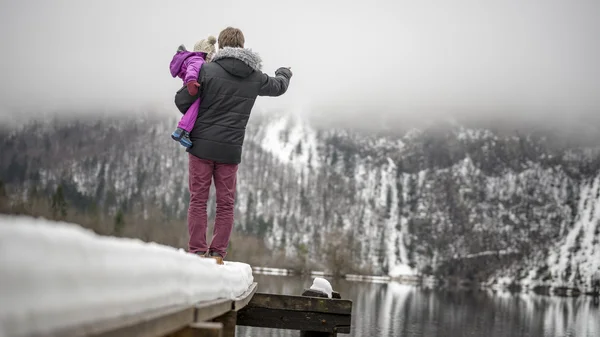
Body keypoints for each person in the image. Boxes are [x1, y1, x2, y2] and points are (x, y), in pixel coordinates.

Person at [175, 27, 292, 264]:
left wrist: (200, 106)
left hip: (200, 148)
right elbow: (278, 86)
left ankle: (197, 252)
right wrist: (284, 73)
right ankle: (218, 253)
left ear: (220, 45)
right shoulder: (256, 76)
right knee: (225, 204)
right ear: (243, 46)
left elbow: (181, 100)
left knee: (198, 199)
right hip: (230, 151)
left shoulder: (206, 70)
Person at [169, 36, 217, 148]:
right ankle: (182, 130)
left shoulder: (191, 59)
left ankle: (184, 131)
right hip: (193, 87)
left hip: (189, 88)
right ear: (207, 53)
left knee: (195, 107)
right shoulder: (197, 60)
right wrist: (191, 81)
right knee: (198, 104)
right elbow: (192, 71)